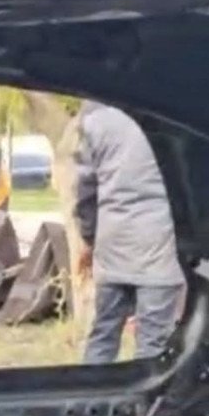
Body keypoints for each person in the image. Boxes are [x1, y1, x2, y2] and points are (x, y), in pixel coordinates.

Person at [75, 100, 184, 365]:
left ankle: (90, 397)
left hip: (113, 242)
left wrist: (91, 238)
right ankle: (145, 404)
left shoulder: (96, 119)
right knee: (153, 341)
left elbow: (85, 192)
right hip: (158, 243)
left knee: (103, 333)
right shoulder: (176, 116)